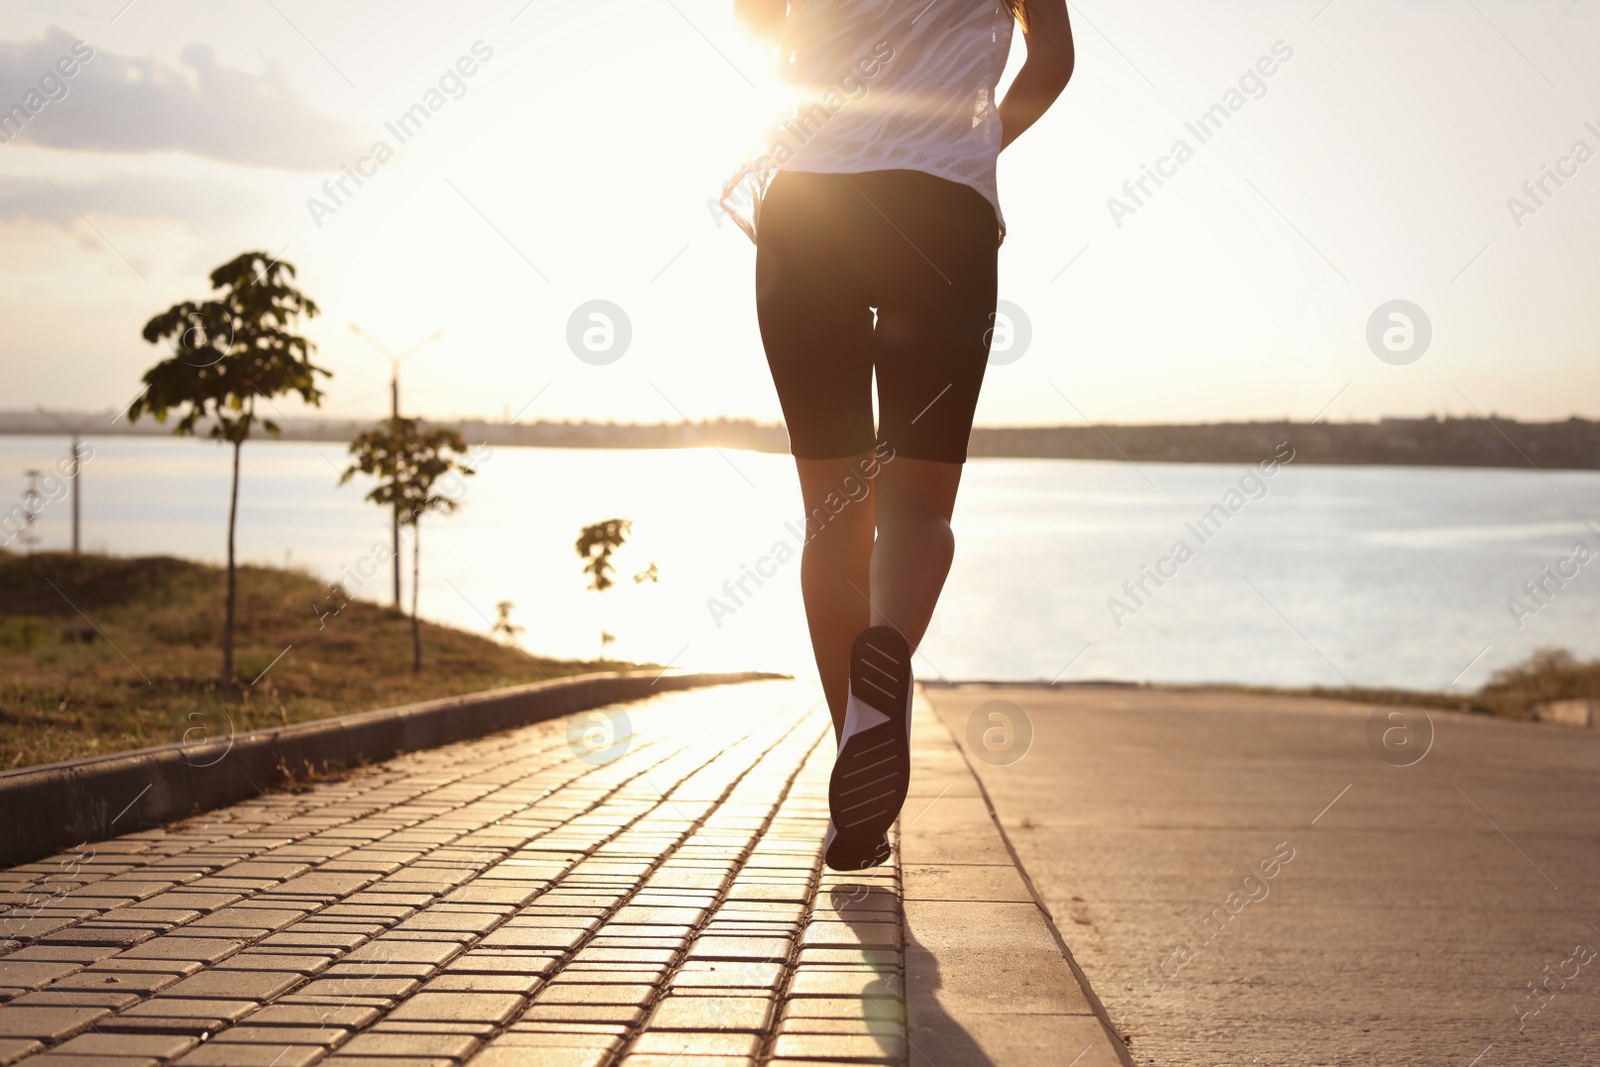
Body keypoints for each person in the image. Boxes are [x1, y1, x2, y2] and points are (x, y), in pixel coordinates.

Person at [725, 0, 1074, 871]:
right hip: (941, 211)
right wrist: (977, 141)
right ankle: (881, 685)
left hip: (808, 210)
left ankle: (856, 767)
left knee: (832, 516)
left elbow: (758, 26)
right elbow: (1054, 60)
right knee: (918, 503)